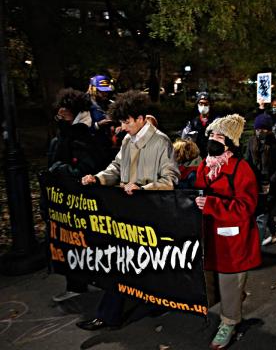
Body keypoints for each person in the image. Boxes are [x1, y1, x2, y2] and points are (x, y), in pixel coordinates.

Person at [77, 90, 179, 331]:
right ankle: (109, 315)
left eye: (127, 121)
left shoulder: (161, 141)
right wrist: (98, 179)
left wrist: (143, 188)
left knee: (143, 264)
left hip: (150, 215)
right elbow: (116, 167)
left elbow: (171, 179)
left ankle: (153, 303)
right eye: (121, 122)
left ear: (141, 117)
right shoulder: (126, 140)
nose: (122, 127)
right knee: (120, 263)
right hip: (126, 215)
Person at [193, 114, 261, 349]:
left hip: (233, 238)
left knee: (229, 280)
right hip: (210, 235)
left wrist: (213, 205)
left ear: (230, 143)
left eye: (219, 136)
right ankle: (232, 303)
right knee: (215, 281)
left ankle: (229, 322)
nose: (213, 140)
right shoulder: (205, 165)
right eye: (211, 135)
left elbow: (247, 207)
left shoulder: (241, 169)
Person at [48, 89, 108, 302]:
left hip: (82, 201)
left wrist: (59, 169)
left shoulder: (84, 137)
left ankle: (82, 284)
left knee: (83, 244)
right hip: (67, 201)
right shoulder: (68, 134)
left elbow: (86, 168)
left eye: (63, 116)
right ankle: (77, 283)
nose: (59, 119)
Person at [245, 113, 276, 245]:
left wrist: (270, 182)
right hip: (255, 182)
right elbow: (248, 161)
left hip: (271, 183)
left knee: (264, 213)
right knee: (261, 212)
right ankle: (273, 233)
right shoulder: (251, 142)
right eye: (257, 129)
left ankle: (256, 244)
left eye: (263, 129)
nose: (260, 132)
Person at [181, 92, 216, 158]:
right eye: (201, 103)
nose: (203, 106)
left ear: (210, 105)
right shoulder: (193, 122)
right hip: (197, 156)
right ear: (197, 104)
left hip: (212, 155)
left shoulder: (216, 121)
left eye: (206, 104)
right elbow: (184, 139)